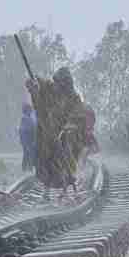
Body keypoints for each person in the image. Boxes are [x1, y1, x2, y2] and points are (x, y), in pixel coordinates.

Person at [26, 66, 89, 201]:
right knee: (45, 163)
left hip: (62, 136)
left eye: (61, 83)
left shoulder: (73, 98)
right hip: (46, 134)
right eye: (57, 82)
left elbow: (77, 114)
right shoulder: (50, 87)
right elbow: (38, 82)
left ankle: (67, 190)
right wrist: (34, 83)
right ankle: (46, 192)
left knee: (64, 162)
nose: (58, 86)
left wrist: (68, 128)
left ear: (66, 84)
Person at [18, 103, 37, 172]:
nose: (31, 111)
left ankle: (27, 168)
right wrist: (26, 143)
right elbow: (24, 132)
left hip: (29, 141)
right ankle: (27, 169)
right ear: (27, 111)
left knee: (28, 155)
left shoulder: (28, 119)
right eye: (30, 110)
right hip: (28, 141)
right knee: (28, 155)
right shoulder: (25, 119)